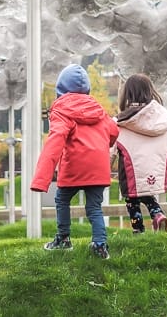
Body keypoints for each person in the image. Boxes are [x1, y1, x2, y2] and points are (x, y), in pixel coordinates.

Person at [31, 63, 119, 259]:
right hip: (98, 169)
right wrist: (104, 143)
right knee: (94, 208)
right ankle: (99, 245)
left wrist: (41, 179)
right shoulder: (98, 110)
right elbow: (114, 131)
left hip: (74, 167)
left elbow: (54, 143)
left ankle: (63, 239)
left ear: (61, 89)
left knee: (62, 200)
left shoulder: (62, 110)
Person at [113, 73, 167, 233]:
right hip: (156, 171)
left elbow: (110, 149)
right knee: (147, 195)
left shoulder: (120, 123)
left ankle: (138, 230)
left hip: (131, 173)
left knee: (132, 200)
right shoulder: (164, 119)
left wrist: (103, 169)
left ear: (127, 94)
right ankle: (158, 215)